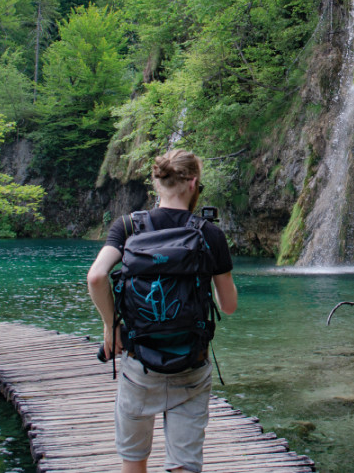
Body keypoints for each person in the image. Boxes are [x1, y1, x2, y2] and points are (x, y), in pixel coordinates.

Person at [88, 149, 237, 473]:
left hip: (140, 364)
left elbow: (97, 277)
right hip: (191, 367)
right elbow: (228, 305)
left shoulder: (128, 226)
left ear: (157, 182)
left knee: (134, 460)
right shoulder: (209, 233)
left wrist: (110, 326)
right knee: (183, 465)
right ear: (193, 183)